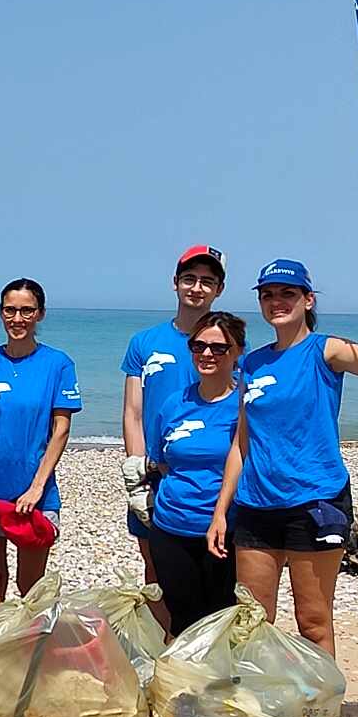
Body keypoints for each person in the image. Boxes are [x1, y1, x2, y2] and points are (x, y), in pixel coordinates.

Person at [209, 261, 358, 655]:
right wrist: (222, 510)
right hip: (256, 504)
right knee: (251, 620)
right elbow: (241, 442)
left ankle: (321, 713)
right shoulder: (251, 363)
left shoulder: (326, 350)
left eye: (287, 294)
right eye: (267, 295)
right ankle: (259, 706)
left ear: (308, 299)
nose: (276, 302)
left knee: (314, 621)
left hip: (315, 500)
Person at [0, 279, 82, 607]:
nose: (18, 318)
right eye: (10, 310)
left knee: (31, 589)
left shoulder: (58, 364)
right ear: (1, 313)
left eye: (27, 311)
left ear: (40, 314)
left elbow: (61, 430)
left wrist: (36, 488)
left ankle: (32, 655)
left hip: (35, 493)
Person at [121, 245, 226, 630]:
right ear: (176, 283)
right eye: (190, 279)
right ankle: (165, 652)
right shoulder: (144, 343)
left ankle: (208, 655)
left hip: (210, 476)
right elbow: (133, 410)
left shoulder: (225, 343)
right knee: (156, 572)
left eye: (207, 282)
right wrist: (136, 472)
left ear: (218, 289)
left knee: (217, 571)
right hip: (154, 476)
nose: (197, 288)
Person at [145, 312, 246, 636]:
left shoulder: (244, 405)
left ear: (237, 351)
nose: (206, 354)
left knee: (220, 621)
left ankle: (220, 685)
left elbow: (247, 460)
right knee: (183, 619)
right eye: (198, 345)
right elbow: (161, 461)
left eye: (218, 348)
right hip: (170, 528)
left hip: (224, 532)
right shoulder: (174, 403)